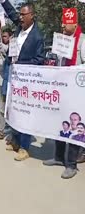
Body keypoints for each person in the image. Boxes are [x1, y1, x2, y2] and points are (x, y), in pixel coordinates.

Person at [1, 0, 45, 161]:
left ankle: (25, 147)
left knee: (26, 113)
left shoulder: (37, 37)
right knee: (13, 110)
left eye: (23, 14)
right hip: (13, 78)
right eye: (20, 14)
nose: (20, 17)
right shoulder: (19, 27)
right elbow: (12, 14)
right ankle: (15, 140)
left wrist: (21, 65)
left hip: (27, 82)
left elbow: (39, 60)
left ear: (32, 16)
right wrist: (4, 2)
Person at [43, 18, 85, 178]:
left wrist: (72, 73)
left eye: (65, 22)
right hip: (62, 90)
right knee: (60, 125)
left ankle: (71, 165)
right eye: (61, 22)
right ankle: (58, 157)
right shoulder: (61, 41)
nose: (62, 25)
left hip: (77, 92)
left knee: (75, 127)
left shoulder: (82, 40)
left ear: (74, 24)